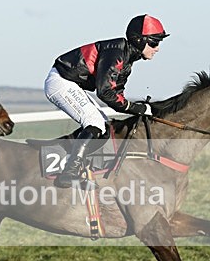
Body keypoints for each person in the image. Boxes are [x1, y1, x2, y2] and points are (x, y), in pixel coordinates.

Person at [44, 14, 169, 188]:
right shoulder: (116, 53)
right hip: (61, 81)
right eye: (154, 43)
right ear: (140, 40)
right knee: (94, 122)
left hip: (70, 82)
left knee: (102, 125)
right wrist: (136, 108)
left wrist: (138, 108)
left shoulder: (127, 60)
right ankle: (68, 173)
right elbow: (105, 93)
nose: (157, 49)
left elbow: (117, 95)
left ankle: (72, 160)